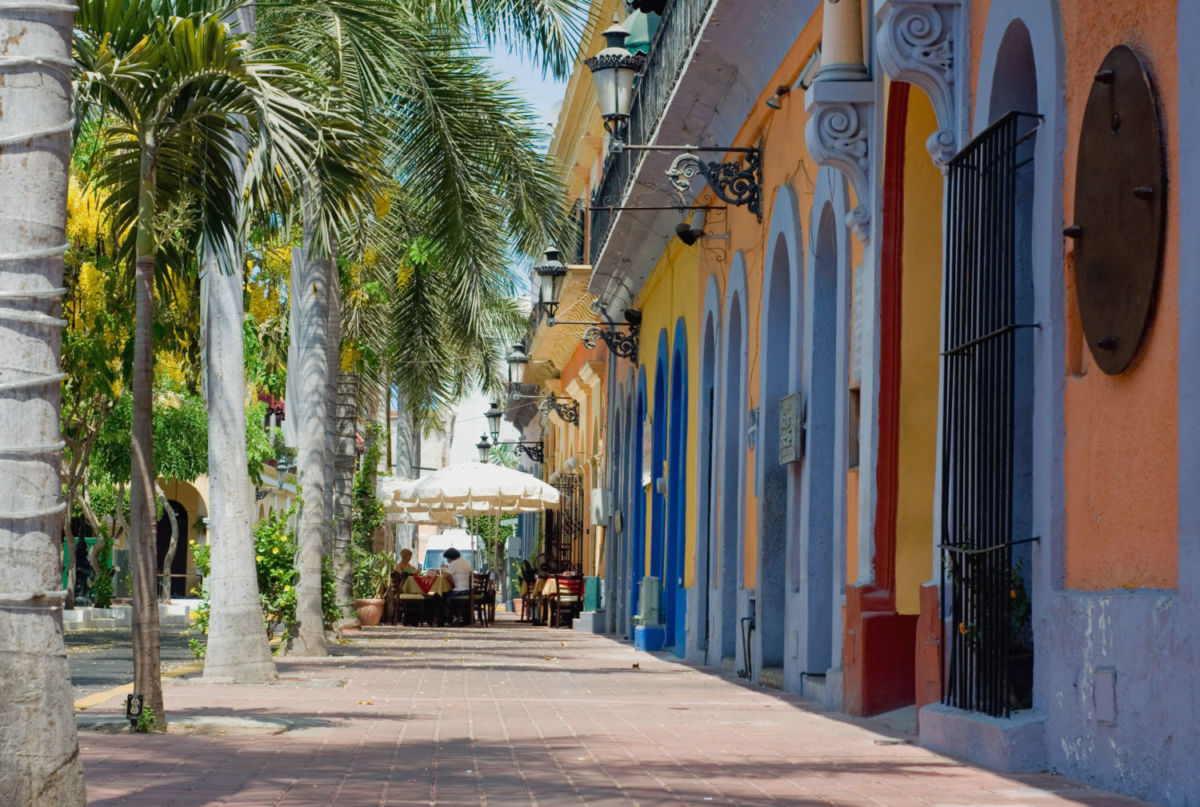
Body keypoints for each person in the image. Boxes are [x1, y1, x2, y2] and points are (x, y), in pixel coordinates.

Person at [442, 547, 473, 624]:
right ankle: (459, 617)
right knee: (448, 594)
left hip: (461, 591)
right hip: (469, 590)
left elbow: (446, 575)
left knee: (444, 596)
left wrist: (443, 569)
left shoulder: (454, 563)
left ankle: (449, 619)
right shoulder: (464, 561)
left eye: (447, 558)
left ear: (450, 557)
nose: (447, 561)